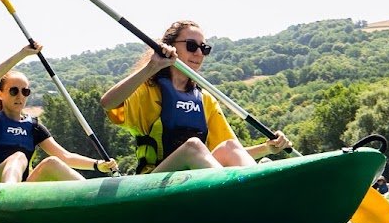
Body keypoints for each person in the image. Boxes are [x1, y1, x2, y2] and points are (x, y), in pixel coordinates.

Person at [100, 20, 290, 174]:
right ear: (170, 47)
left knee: (230, 146)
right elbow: (108, 103)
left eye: (204, 48)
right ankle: (238, 194)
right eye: (191, 46)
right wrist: (152, 67)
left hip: (193, 179)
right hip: (153, 182)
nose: (199, 53)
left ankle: (257, 185)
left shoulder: (205, 99)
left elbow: (229, 153)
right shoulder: (147, 90)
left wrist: (268, 148)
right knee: (193, 147)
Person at [0, 43, 118, 183]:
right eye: (14, 91)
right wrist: (23, 54)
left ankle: (90, 192)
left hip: (22, 189)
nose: (20, 96)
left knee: (52, 162)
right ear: (0, 94)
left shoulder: (34, 127)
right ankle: (10, 192)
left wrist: (97, 164)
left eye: (25, 91)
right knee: (18, 157)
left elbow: (65, 156)